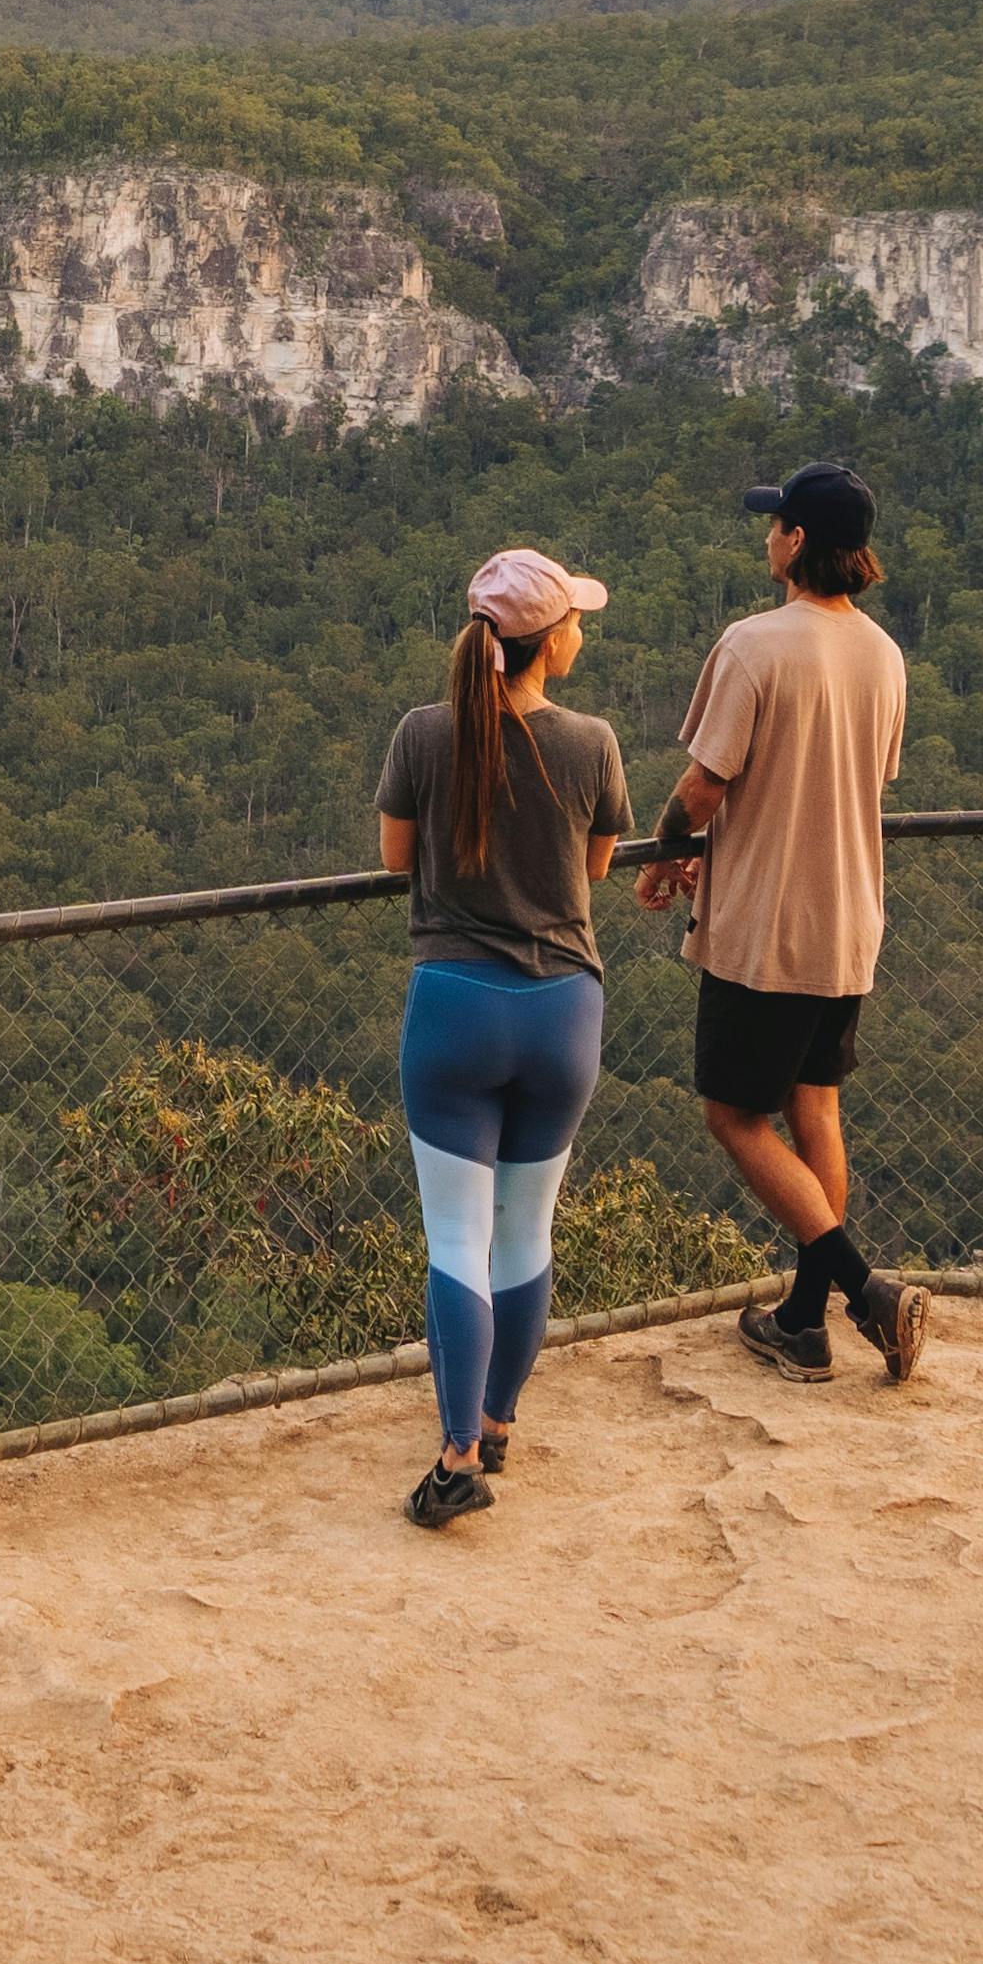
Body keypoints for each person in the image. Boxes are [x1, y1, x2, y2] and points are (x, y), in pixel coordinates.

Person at [645, 459, 921, 1381]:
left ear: (797, 542)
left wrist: (670, 843)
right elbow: (862, 779)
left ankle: (860, 1290)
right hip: (849, 920)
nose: (767, 536)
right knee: (815, 1105)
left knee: (733, 1116)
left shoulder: (754, 645)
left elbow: (704, 785)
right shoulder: (884, 654)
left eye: (775, 525)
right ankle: (804, 1323)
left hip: (765, 928)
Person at [370, 542, 624, 1530]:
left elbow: (396, 854)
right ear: (543, 642)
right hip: (562, 1006)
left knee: (456, 1237)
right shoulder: (590, 742)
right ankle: (500, 1419)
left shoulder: (423, 734)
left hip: (453, 1009)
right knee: (525, 1230)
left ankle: (456, 1453)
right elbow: (594, 867)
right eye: (572, 620)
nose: (578, 632)